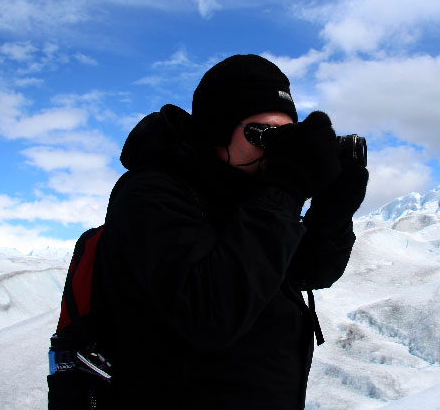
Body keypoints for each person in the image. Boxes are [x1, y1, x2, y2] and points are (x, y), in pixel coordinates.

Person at [91, 54, 368, 408]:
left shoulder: (250, 196)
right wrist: (286, 189)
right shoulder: (150, 194)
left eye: (288, 137)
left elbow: (309, 272)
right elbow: (209, 315)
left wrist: (333, 209)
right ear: (215, 132)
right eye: (264, 135)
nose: (277, 153)